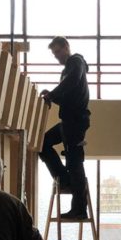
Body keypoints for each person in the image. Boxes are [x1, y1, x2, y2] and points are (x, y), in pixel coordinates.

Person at [39, 37, 91, 220]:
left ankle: (79, 209)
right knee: (43, 143)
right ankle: (64, 180)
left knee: (74, 161)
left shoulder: (76, 62)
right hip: (68, 121)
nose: (57, 56)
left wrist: (52, 95)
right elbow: (66, 95)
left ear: (66, 47)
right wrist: (52, 96)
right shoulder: (67, 71)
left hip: (76, 120)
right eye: (54, 54)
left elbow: (71, 82)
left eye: (58, 52)